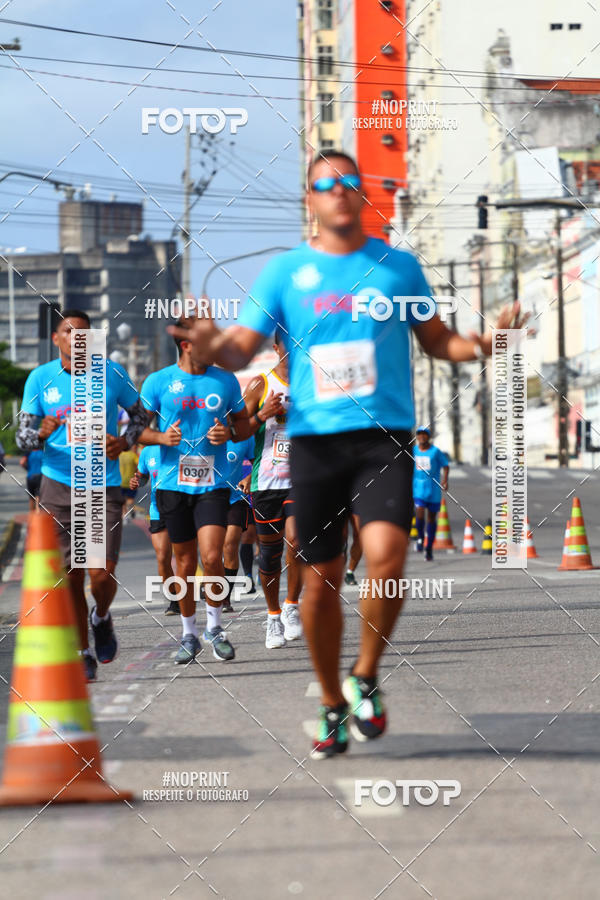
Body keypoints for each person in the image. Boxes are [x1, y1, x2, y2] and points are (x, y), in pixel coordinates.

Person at [168, 149, 528, 757]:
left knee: (387, 557)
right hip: (314, 442)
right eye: (325, 184)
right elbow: (239, 349)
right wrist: (210, 342)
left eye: (349, 182)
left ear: (362, 196)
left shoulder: (398, 268)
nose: (339, 191)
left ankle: (365, 675)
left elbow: (439, 341)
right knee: (322, 581)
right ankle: (332, 702)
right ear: (309, 199)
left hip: (382, 435)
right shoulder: (285, 273)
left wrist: (491, 343)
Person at [16, 309, 148, 682]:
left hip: (100, 484)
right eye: (69, 333)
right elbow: (22, 438)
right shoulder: (40, 379)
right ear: (56, 338)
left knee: (101, 574)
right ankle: (82, 651)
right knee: (70, 577)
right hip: (57, 485)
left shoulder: (111, 372)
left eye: (85, 335)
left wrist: (124, 441)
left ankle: (101, 617)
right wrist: (41, 434)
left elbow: (141, 416)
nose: (77, 341)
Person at [138, 318, 250, 664]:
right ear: (187, 345)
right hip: (172, 485)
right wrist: (160, 438)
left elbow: (244, 426)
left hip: (213, 485)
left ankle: (214, 627)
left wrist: (229, 433)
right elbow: (136, 431)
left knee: (212, 556)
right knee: (184, 563)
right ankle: (188, 634)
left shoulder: (226, 380)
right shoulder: (158, 382)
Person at [243, 332, 302, 649]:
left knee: (298, 542)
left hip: (302, 479)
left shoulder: (312, 384)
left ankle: (292, 606)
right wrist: (262, 415)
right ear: (276, 348)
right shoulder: (260, 384)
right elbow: (237, 428)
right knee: (269, 555)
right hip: (266, 481)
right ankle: (273, 615)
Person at [130, 444, 179, 616]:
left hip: (182, 508)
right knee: (163, 557)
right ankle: (174, 599)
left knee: (184, 556)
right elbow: (142, 476)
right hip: (157, 508)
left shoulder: (183, 444)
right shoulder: (147, 451)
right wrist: (136, 480)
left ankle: (186, 596)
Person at [221, 434, 255, 613]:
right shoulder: (203, 432)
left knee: (230, 545)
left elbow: (258, 460)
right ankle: (214, 586)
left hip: (236, 498)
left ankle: (225, 597)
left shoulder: (245, 437)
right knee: (210, 552)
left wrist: (249, 478)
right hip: (209, 498)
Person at [413, 427, 450, 561]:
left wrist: (445, 481)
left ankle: (429, 548)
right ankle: (420, 537)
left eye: (424, 435)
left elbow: (445, 465)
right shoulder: (414, 451)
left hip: (433, 488)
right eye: (419, 434)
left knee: (431, 519)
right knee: (420, 512)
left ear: (428, 437)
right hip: (418, 487)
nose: (422, 437)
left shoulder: (435, 452)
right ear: (417, 437)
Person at [120, 444, 140, 519]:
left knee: (122, 499)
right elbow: (139, 465)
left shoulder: (119, 455)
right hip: (131, 481)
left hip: (120, 481)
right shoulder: (133, 455)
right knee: (130, 498)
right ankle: (129, 508)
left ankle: (124, 513)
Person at [344, 513, 362, 586]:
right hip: (338, 502)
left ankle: (350, 572)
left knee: (360, 535)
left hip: (356, 502)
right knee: (342, 537)